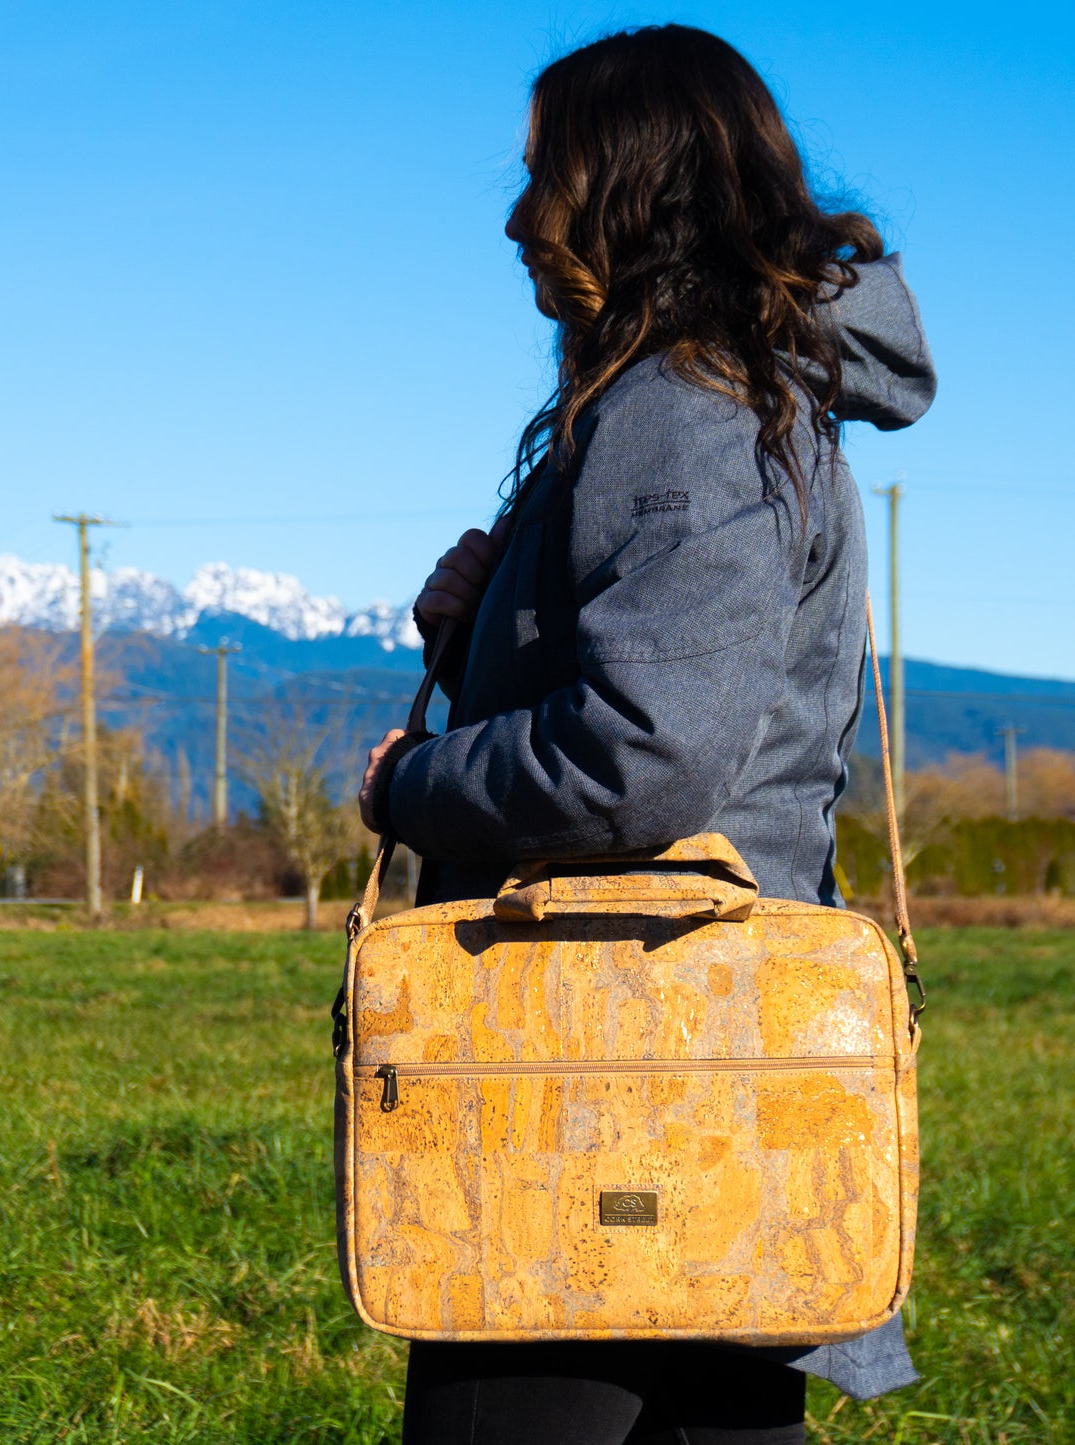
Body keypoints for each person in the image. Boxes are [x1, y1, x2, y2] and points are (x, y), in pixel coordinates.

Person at [355, 24, 936, 1445]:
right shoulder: (700, 395)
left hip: (607, 1052)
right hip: (686, 1046)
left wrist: (413, 781)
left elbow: (644, 754)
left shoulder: (681, 406)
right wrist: (475, 630)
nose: (516, 215)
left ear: (632, 186)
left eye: (545, 171)